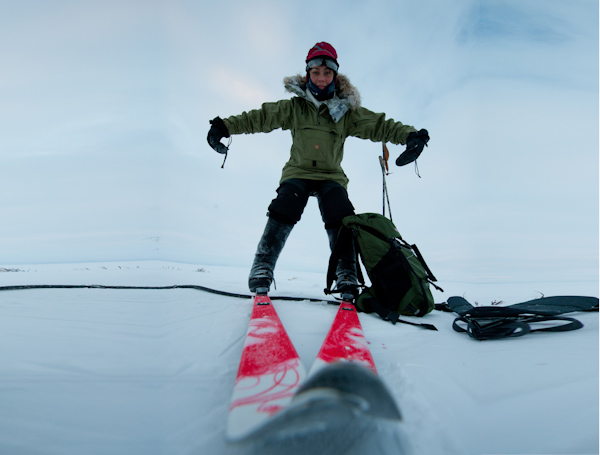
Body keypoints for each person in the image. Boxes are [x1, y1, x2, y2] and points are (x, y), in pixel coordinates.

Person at [207, 42, 429, 297]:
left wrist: (411, 136)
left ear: (335, 75)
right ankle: (262, 267)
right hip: (297, 172)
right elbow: (259, 117)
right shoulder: (294, 108)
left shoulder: (346, 111)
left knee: (341, 212)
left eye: (327, 73)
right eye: (316, 73)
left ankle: (347, 273)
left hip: (330, 176)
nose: (321, 78)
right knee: (284, 205)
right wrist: (223, 127)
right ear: (307, 75)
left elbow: (380, 125)